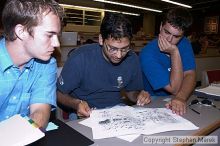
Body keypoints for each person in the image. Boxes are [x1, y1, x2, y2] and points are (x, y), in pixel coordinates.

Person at [57, 13, 150, 119]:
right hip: (86, 114)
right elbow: (58, 94)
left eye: (125, 48)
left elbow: (131, 92)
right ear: (101, 39)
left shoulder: (132, 58)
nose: (119, 55)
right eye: (113, 48)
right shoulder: (80, 58)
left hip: (118, 111)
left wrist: (139, 96)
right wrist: (76, 104)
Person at [0, 0, 64, 128]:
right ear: (21, 31)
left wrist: (22, 136)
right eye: (49, 35)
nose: (57, 44)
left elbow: (40, 112)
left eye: (57, 35)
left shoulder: (47, 64)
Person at [140, 8, 196, 115]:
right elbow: (174, 88)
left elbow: (190, 74)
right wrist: (175, 52)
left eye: (176, 36)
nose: (169, 39)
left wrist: (181, 97)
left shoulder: (184, 43)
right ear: (161, 26)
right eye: (166, 32)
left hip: (179, 99)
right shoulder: (147, 53)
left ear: (183, 35)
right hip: (153, 103)